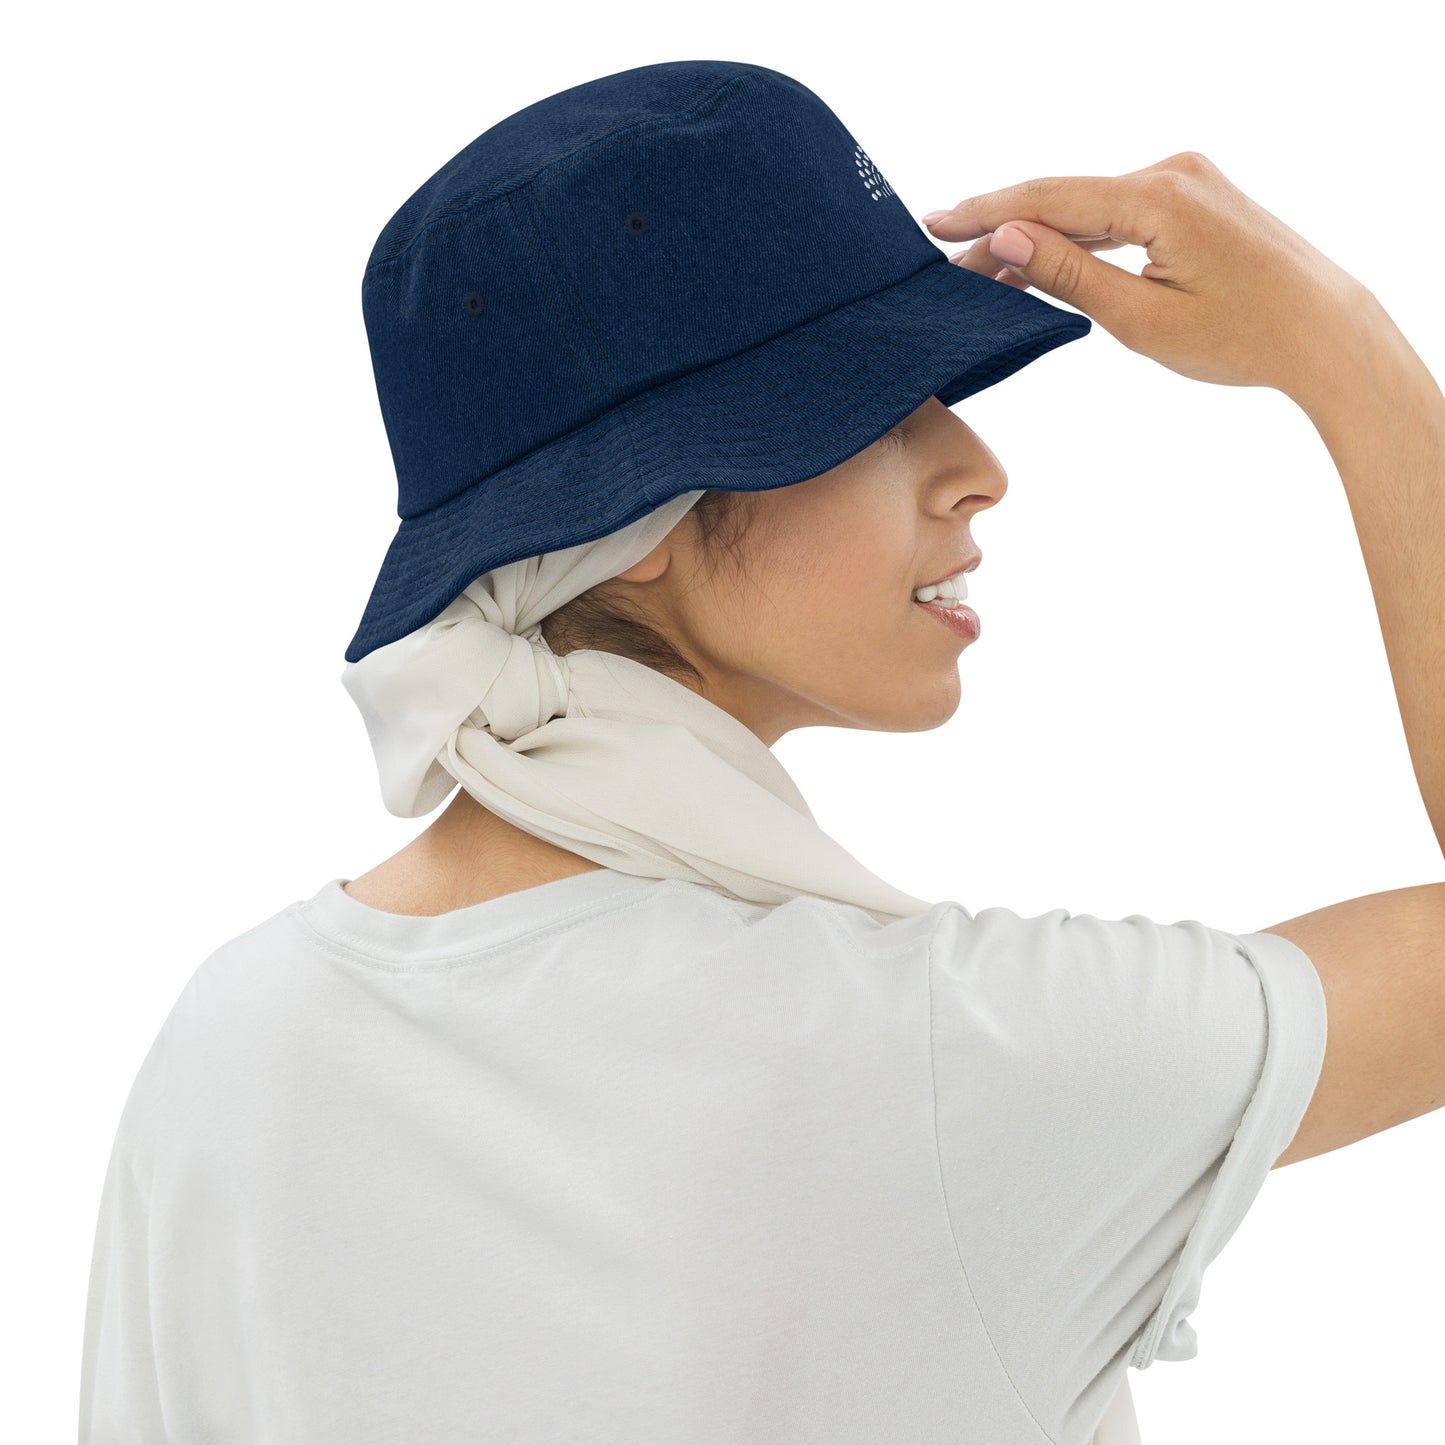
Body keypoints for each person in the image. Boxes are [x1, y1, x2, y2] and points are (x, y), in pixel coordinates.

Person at [79, 61, 1445, 1445]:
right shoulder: (932, 1057)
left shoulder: (229, 1046)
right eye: (881, 402)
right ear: (643, 517)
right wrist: (1351, 359)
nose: (975, 463)